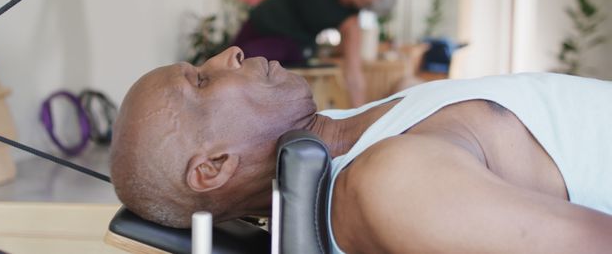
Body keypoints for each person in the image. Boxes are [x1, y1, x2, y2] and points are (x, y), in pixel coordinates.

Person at [110, 47, 612, 253]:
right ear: (214, 165)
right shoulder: (391, 182)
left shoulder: (343, 135)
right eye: (200, 80)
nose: (228, 54)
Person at [232, 0, 459, 107]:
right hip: (261, 19)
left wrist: (360, 114)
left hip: (289, 43)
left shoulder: (350, 22)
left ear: (362, 7)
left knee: (245, 60)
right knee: (226, 57)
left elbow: (354, 74)